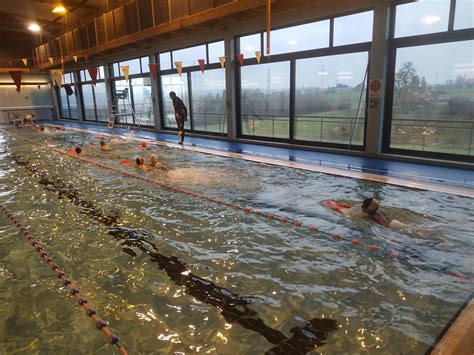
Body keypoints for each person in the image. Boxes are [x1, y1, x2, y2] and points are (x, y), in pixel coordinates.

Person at [321, 197, 404, 229]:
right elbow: (353, 208)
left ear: (368, 209)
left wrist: (339, 211)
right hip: (395, 224)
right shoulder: (377, 212)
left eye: (363, 207)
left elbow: (352, 217)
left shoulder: (370, 217)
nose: (361, 207)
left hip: (392, 231)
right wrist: (340, 205)